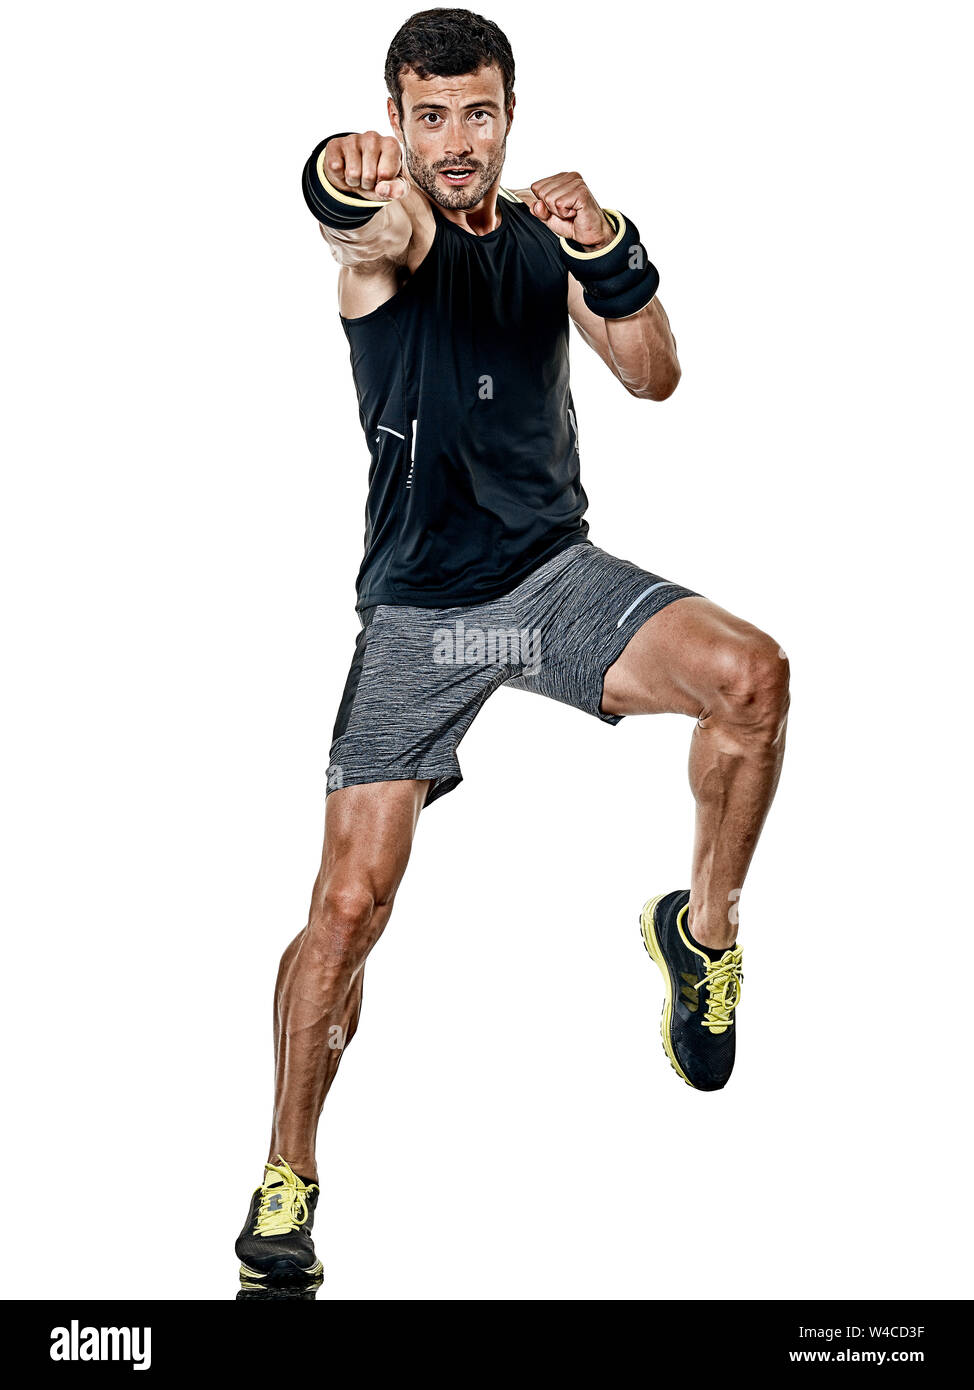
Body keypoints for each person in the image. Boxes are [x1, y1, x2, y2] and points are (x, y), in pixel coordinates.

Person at [235, 7, 790, 1290]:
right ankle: (287, 1176)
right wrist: (333, 176)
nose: (454, 142)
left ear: (507, 114)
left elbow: (651, 375)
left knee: (750, 677)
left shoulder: (540, 236)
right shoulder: (395, 238)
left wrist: (610, 251)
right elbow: (348, 222)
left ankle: (700, 930)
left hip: (548, 583)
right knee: (348, 907)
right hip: (420, 617)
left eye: (474, 113)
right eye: (425, 117)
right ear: (397, 123)